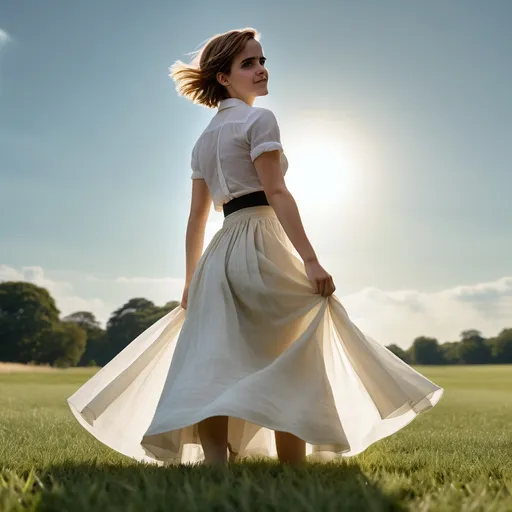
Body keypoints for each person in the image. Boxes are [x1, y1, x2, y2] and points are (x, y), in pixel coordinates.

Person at [67, 27, 443, 467]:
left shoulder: (203, 139)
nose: (261, 70)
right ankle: (292, 467)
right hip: (263, 241)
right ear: (224, 77)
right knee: (290, 351)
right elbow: (277, 192)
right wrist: (311, 260)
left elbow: (196, 220)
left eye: (263, 61)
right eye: (249, 63)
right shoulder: (259, 120)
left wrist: (191, 281)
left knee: (214, 359)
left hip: (221, 253)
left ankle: (216, 465)